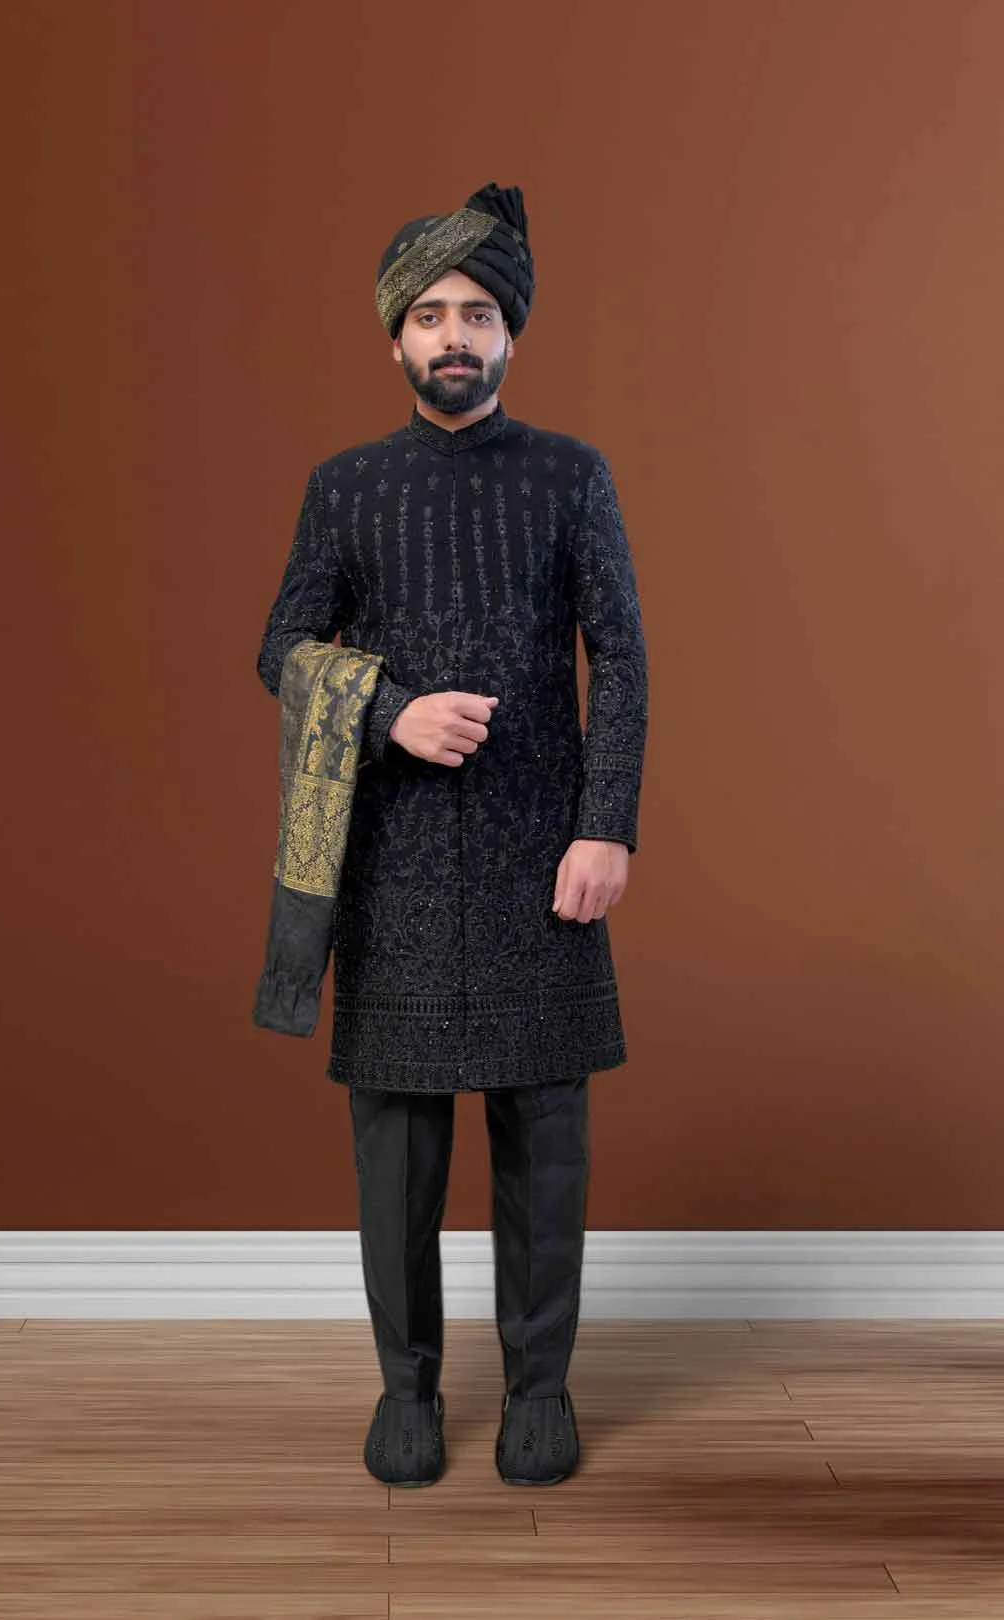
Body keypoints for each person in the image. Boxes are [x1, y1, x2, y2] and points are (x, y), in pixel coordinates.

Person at [256, 181, 649, 1487]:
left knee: (545, 1145)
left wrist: (605, 829)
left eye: (478, 311)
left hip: (544, 856)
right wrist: (392, 714)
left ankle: (540, 1390)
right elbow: (283, 646)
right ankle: (408, 1392)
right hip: (397, 866)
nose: (455, 334)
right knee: (399, 1155)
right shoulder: (347, 487)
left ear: (511, 332)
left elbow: (621, 658)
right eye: (429, 314)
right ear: (396, 340)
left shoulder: (570, 475)